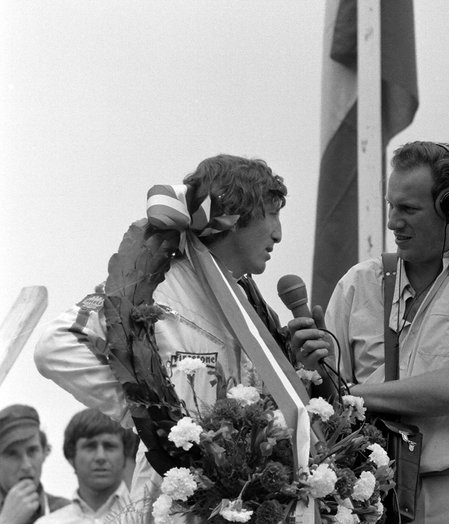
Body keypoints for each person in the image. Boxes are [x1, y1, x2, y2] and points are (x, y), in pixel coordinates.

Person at [34, 154, 328, 517]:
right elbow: (56, 345)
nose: (279, 234)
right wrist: (149, 416)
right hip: (172, 507)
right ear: (234, 218)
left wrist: (302, 365)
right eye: (272, 215)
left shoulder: (254, 311)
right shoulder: (152, 289)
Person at [320, 141, 449, 523]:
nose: (391, 222)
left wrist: (353, 395)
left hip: (447, 495)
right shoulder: (358, 283)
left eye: (407, 209)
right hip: (359, 495)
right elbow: (323, 397)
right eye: (390, 205)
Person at [34, 408, 137, 524]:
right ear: (71, 457)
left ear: (125, 454)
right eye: (90, 447)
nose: (100, 457)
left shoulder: (148, 517)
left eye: (109, 446)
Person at [0, 405, 69, 524]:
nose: (26, 465)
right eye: (12, 454)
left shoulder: (68, 514)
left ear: (45, 452)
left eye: (32, 451)